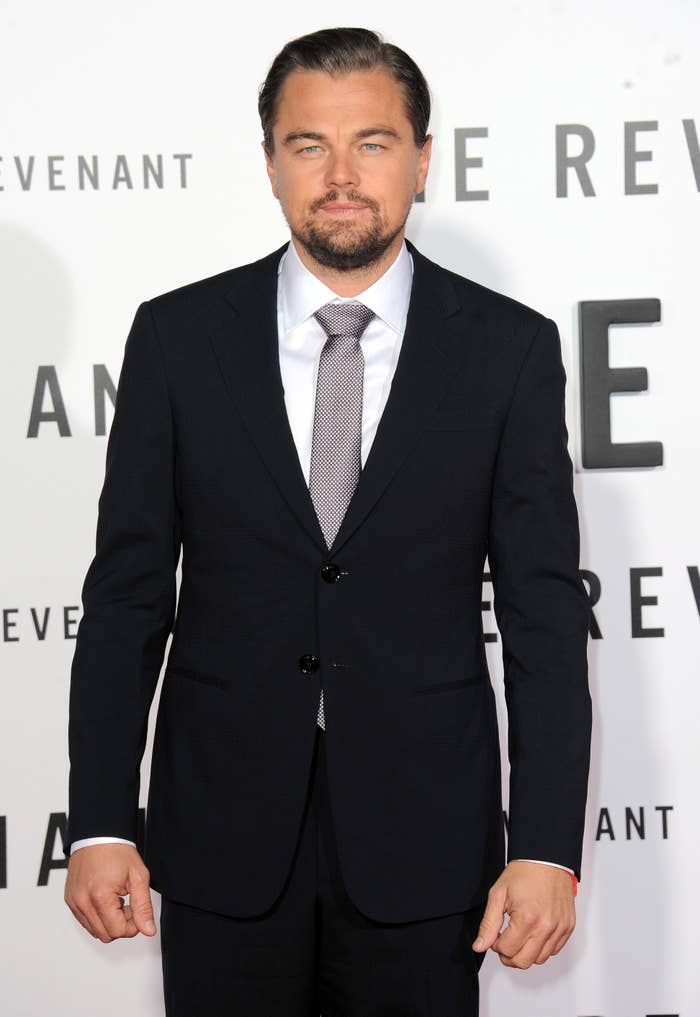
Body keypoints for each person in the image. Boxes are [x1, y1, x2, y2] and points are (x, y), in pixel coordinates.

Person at [63, 26, 592, 1017]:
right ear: (270, 162)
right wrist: (98, 822)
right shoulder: (179, 339)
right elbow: (128, 598)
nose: (341, 175)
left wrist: (547, 847)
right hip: (220, 837)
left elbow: (544, 620)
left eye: (374, 143)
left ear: (422, 158)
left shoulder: (508, 353)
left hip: (427, 846)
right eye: (310, 145)